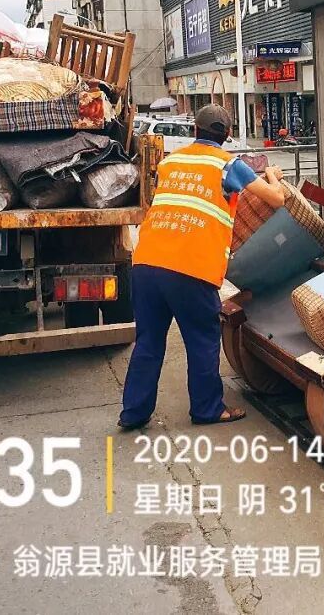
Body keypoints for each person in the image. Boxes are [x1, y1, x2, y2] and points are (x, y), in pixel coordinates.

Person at [119, 104, 285, 430]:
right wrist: (272, 176)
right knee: (202, 340)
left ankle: (133, 413)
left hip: (147, 263)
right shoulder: (228, 164)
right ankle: (207, 409)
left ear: (195, 130)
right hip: (190, 268)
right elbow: (275, 199)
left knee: (148, 342)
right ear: (227, 135)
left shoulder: (171, 162)